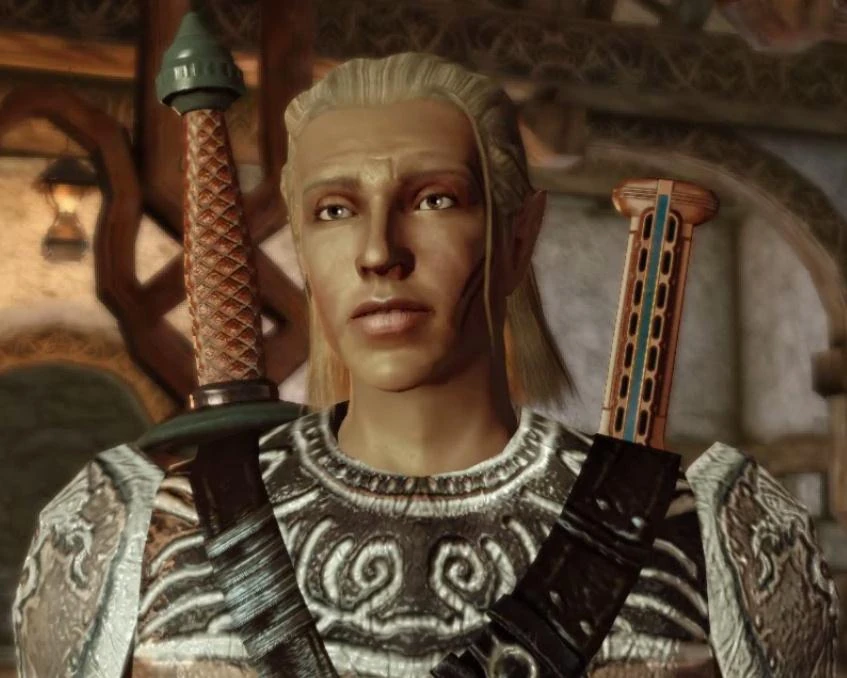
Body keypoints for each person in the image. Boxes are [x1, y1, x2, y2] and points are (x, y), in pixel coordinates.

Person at [13, 52, 838, 678]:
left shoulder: (716, 536)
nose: (379, 251)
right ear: (304, 250)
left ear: (518, 235)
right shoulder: (132, 531)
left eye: (433, 199)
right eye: (335, 210)